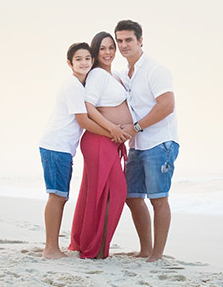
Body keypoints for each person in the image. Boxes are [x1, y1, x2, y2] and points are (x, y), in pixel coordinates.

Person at [38, 42, 111, 259]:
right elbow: (84, 120)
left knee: (59, 196)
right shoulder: (73, 86)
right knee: (57, 196)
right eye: (78, 59)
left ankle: (51, 246)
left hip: (61, 149)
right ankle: (50, 248)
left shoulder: (79, 86)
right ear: (70, 63)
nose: (84, 62)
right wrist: (112, 133)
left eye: (87, 58)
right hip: (56, 147)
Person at [114, 20, 178, 262]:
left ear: (140, 41)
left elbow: (167, 106)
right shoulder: (124, 75)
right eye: (119, 41)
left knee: (158, 198)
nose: (123, 45)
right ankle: (145, 250)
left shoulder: (155, 70)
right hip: (137, 146)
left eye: (128, 40)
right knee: (131, 195)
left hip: (160, 143)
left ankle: (157, 255)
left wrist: (136, 127)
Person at [68, 31, 133, 259]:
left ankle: (92, 246)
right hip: (99, 140)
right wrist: (112, 129)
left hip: (108, 142)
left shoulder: (114, 75)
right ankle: (94, 248)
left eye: (111, 47)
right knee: (114, 192)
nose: (108, 52)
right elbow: (89, 106)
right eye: (102, 48)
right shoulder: (96, 74)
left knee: (99, 193)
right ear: (96, 52)